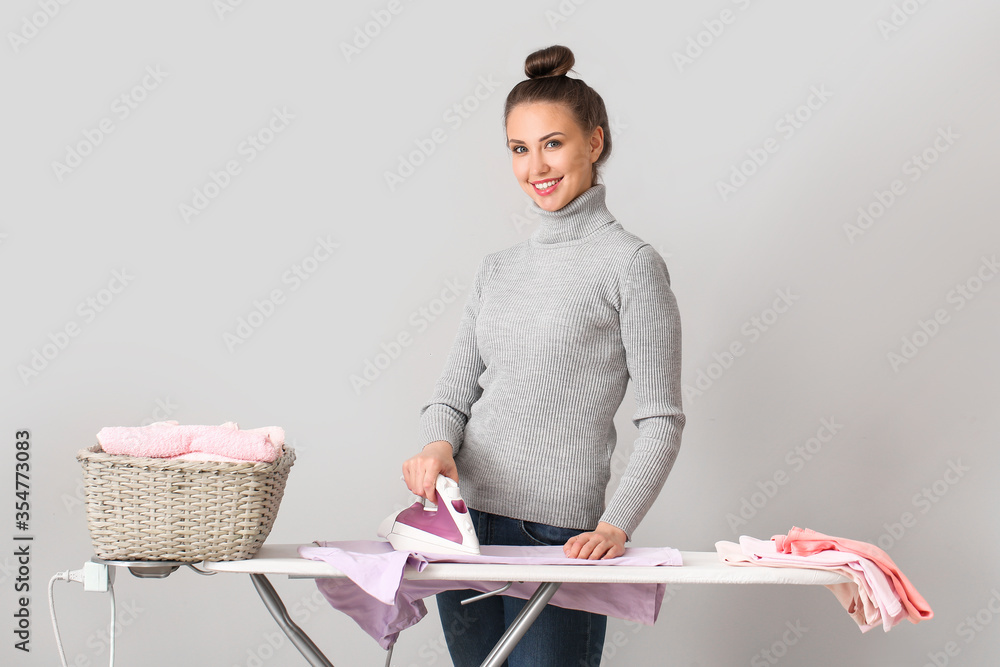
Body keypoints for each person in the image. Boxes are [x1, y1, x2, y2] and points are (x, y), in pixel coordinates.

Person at [401, 44, 685, 667]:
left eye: (552, 144)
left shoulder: (632, 265)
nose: (536, 166)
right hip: (467, 528)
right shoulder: (497, 270)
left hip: (559, 537)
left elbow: (662, 417)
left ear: (595, 142)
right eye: (519, 149)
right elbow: (454, 391)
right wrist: (436, 445)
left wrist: (617, 523)